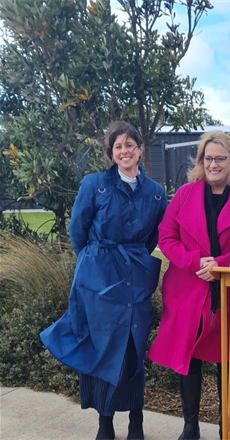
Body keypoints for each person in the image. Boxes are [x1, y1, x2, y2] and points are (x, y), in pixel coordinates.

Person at [40, 121, 168, 440]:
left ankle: (136, 419)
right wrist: (95, 263)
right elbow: (78, 232)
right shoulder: (94, 184)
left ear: (140, 149)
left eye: (130, 145)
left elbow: (154, 236)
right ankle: (105, 422)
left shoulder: (155, 193)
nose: (124, 151)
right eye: (118, 146)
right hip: (97, 276)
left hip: (136, 274)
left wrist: (131, 256)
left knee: (132, 346)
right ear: (112, 153)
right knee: (102, 345)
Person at [148, 130, 230, 440]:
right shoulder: (186, 193)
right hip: (187, 286)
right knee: (190, 354)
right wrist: (194, 262)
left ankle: (226, 427)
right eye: (208, 158)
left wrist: (221, 265)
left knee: (227, 355)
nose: (213, 164)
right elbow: (166, 237)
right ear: (202, 161)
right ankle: (190, 426)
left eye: (219, 158)